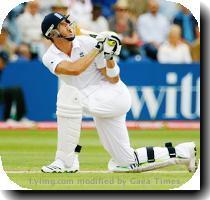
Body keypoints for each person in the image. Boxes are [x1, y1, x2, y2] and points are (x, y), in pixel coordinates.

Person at [40, 12, 197, 173]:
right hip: (96, 103)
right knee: (124, 163)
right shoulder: (50, 56)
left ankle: (66, 161)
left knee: (67, 94)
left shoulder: (87, 42)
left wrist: (109, 58)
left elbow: (113, 79)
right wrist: (98, 48)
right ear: (53, 33)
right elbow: (74, 70)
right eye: (63, 25)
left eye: (67, 22)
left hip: (113, 96)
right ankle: (183, 152)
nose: (68, 26)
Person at [0, 51, 35, 127]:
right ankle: (14, 118)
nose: (4, 65)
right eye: (3, 61)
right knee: (14, 90)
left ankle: (12, 118)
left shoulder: (1, 69)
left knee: (15, 90)